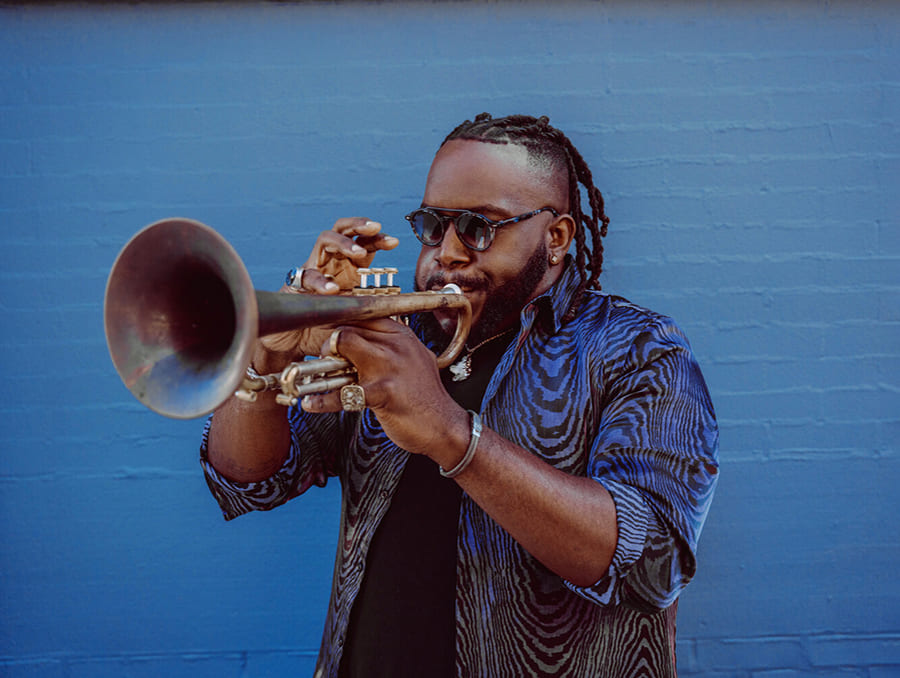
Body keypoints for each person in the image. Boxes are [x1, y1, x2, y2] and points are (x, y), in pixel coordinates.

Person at [201, 113, 719, 677]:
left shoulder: (639, 349)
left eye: (479, 226)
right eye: (433, 224)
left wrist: (451, 434)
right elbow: (247, 483)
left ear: (557, 238)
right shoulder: (393, 340)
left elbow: (652, 564)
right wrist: (263, 364)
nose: (447, 252)